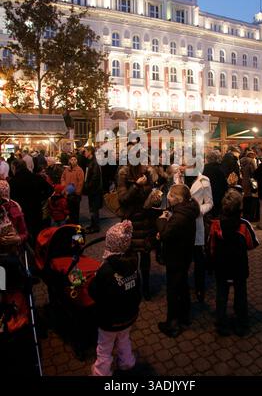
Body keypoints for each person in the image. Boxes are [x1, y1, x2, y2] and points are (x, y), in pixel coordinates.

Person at [89, 220, 141, 377]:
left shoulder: (105, 270)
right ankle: (127, 362)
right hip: (129, 316)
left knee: (104, 347)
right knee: (124, 339)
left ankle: (101, 372)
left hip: (109, 320)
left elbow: (94, 292)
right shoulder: (133, 264)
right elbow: (138, 291)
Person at [209, 190, 259, 337]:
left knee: (221, 295)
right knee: (241, 295)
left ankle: (221, 324)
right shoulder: (244, 225)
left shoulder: (215, 224)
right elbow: (252, 243)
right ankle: (242, 325)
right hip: (239, 266)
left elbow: (211, 245)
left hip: (221, 266)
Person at [156, 184, 199, 337]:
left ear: (178, 199)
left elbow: (166, 233)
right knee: (182, 285)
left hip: (176, 256)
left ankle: (172, 324)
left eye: (171, 195)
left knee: (173, 289)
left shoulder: (180, 216)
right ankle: (185, 316)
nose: (168, 197)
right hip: (185, 254)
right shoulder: (188, 210)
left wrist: (162, 221)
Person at [117, 164, 159, 300]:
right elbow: (123, 198)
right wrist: (136, 185)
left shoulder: (147, 171)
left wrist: (141, 189)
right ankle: (133, 287)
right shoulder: (123, 173)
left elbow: (149, 192)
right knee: (131, 257)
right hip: (130, 221)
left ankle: (145, 288)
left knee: (145, 256)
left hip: (145, 220)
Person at [9, 159, 53, 241]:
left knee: (24, 238)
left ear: (14, 168)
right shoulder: (36, 178)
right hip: (36, 212)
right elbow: (50, 190)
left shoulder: (12, 182)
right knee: (37, 237)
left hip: (21, 215)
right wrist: (40, 198)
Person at [190, 173, 213, 303]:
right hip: (180, 223)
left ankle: (200, 288)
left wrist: (198, 210)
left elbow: (209, 203)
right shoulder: (176, 176)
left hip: (196, 223)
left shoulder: (204, 180)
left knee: (199, 258)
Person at [0, 180, 28, 252]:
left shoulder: (15, 207)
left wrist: (17, 238)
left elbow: (24, 233)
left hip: (12, 251)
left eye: (4, 200)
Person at [203, 150, 228, 217]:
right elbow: (224, 184)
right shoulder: (220, 168)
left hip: (206, 195)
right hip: (218, 196)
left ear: (207, 159)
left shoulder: (204, 169)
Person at [84, 147, 103, 233]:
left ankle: (95, 227)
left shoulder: (94, 162)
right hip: (92, 190)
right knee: (92, 208)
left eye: (86, 151)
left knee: (94, 209)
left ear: (90, 152)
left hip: (94, 190)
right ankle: (93, 225)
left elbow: (95, 177)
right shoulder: (91, 162)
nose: (84, 153)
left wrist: (88, 186)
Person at [61, 155, 84, 224]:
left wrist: (77, 192)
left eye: (75, 159)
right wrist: (64, 188)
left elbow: (81, 182)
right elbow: (63, 178)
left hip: (75, 195)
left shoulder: (79, 170)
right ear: (69, 161)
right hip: (67, 193)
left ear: (77, 161)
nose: (73, 161)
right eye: (72, 159)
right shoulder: (67, 169)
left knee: (75, 212)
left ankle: (76, 227)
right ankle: (71, 225)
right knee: (69, 211)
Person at [240, 151, 258, 221]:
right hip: (250, 182)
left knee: (245, 198)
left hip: (243, 181)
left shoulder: (241, 161)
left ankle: (244, 215)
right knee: (250, 199)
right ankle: (250, 216)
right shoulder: (251, 161)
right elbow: (254, 172)